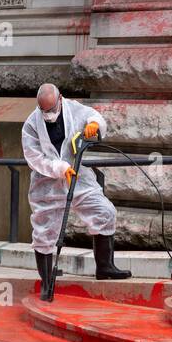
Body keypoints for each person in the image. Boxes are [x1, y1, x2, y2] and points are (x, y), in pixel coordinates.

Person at [21, 83, 131, 284]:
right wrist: (60, 169)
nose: (49, 114)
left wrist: (94, 125)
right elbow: (34, 158)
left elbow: (94, 116)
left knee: (105, 212)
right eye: (44, 111)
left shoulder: (73, 108)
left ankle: (105, 267)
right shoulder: (31, 124)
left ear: (60, 99)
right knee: (44, 232)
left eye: (52, 109)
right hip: (47, 184)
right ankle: (47, 281)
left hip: (78, 176)